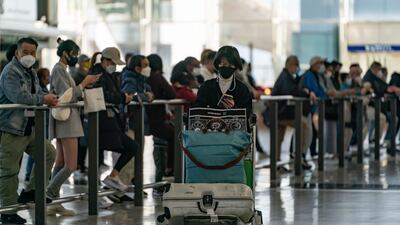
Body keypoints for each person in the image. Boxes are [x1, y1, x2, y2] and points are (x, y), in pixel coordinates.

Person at [0, 37, 57, 224]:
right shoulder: (10, 72)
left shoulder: (30, 72)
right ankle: (7, 212)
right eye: (25, 52)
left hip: (28, 128)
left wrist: (49, 97)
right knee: (9, 170)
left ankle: (30, 191)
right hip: (11, 129)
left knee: (48, 153)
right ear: (17, 53)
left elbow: (39, 92)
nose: (29, 56)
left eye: (33, 52)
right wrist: (43, 100)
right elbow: (18, 96)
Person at [47, 39, 100, 216]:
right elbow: (66, 96)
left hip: (67, 120)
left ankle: (52, 202)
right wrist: (84, 84)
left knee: (61, 162)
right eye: (74, 54)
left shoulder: (62, 70)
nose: (76, 58)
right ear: (65, 53)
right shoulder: (59, 70)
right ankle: (48, 195)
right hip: (67, 121)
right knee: (71, 165)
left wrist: (83, 86)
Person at [89, 47, 138, 193]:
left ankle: (111, 178)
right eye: (113, 62)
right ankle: (96, 195)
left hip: (109, 121)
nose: (114, 66)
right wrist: (123, 98)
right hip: (100, 121)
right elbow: (103, 95)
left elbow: (112, 93)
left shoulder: (107, 75)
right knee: (96, 160)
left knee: (131, 147)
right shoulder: (97, 74)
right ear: (105, 60)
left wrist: (123, 97)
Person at [268, 55, 315, 169]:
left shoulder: (287, 76)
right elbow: (291, 91)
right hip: (281, 113)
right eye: (296, 65)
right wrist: (306, 92)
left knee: (278, 139)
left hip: (279, 112)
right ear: (290, 65)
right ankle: (297, 158)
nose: (297, 68)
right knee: (302, 127)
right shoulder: (285, 77)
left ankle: (277, 164)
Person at [146, 54, 176, 195]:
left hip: (149, 121)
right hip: (157, 121)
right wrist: (162, 97)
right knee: (172, 138)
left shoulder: (145, 78)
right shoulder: (157, 77)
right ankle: (168, 172)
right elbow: (171, 93)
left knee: (158, 151)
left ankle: (159, 184)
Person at [195, 45, 253, 119]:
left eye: (231, 64)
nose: (227, 67)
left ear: (236, 66)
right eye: (224, 64)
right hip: (210, 129)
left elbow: (246, 114)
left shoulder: (242, 89)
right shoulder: (206, 87)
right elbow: (198, 110)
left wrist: (235, 109)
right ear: (217, 64)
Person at [25, 68, 51, 182]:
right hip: (37, 123)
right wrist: (45, 98)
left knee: (45, 151)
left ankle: (34, 180)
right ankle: (29, 173)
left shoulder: (42, 89)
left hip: (42, 122)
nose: (49, 78)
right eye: (47, 76)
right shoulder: (39, 90)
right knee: (35, 151)